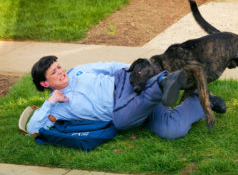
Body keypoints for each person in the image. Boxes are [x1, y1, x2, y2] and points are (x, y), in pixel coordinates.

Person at [28, 55, 226, 140]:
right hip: (127, 111)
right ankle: (202, 100)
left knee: (122, 120)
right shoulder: (56, 108)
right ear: (45, 84)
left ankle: (159, 83)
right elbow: (32, 129)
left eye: (59, 67)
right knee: (172, 129)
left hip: (127, 86)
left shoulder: (78, 71)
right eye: (54, 73)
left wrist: (139, 73)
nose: (61, 72)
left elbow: (112, 67)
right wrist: (50, 102)